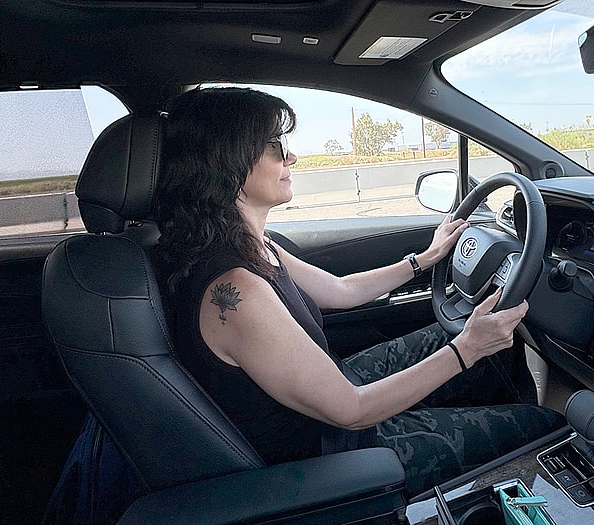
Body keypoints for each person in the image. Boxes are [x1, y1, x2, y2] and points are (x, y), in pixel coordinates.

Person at [155, 86, 565, 496]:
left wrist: (424, 259)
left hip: (334, 387)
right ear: (227, 163)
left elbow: (340, 289)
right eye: (275, 147)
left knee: (463, 335)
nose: (291, 157)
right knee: (545, 428)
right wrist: (469, 349)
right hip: (335, 449)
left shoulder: (252, 244)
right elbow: (352, 411)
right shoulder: (234, 290)